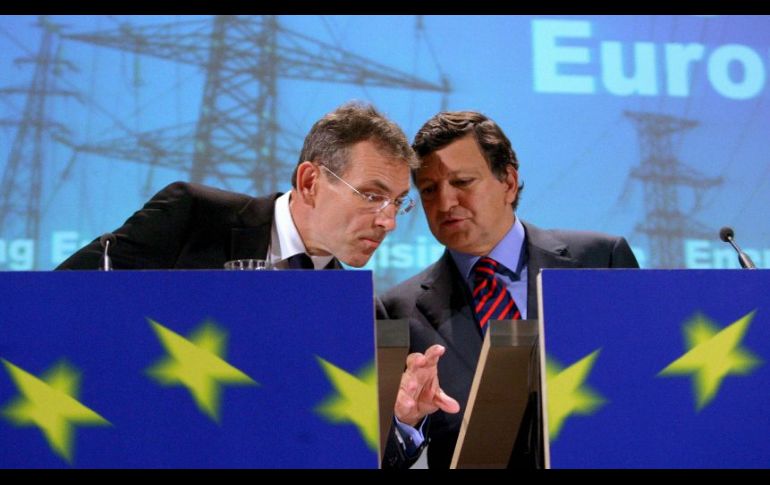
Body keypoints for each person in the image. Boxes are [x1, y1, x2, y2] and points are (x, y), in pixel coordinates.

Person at [378, 111, 639, 469]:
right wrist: (404, 421)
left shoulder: (600, 260)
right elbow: (382, 456)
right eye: (429, 190)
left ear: (509, 183)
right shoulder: (397, 310)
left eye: (462, 182)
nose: (445, 202)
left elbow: (647, 387)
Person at [56, 102, 417, 271]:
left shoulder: (353, 308)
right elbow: (54, 300)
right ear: (310, 182)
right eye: (372, 196)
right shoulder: (192, 217)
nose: (389, 222)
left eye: (399, 202)